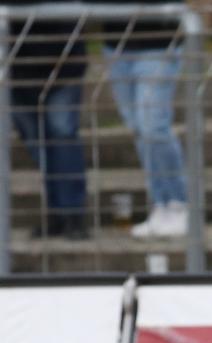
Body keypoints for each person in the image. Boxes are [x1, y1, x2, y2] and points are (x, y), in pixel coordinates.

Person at [99, 0, 188, 237]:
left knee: (153, 126)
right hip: (116, 45)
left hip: (158, 43)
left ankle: (179, 202)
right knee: (138, 128)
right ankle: (160, 204)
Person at [9, 1, 88, 239]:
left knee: (62, 135)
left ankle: (73, 214)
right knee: (37, 141)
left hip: (62, 66)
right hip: (19, 70)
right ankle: (57, 212)